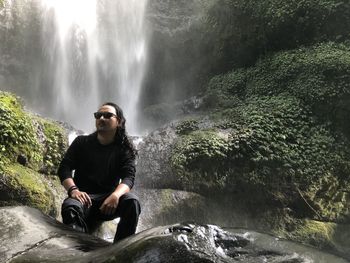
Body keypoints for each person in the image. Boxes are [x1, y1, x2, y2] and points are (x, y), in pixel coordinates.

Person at [57, 102, 141, 243]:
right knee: (70, 206)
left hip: (108, 202)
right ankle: (79, 251)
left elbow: (128, 177)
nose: (101, 118)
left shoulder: (124, 149)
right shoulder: (81, 142)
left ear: (119, 121)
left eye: (108, 115)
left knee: (132, 202)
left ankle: (120, 251)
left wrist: (115, 195)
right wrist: (74, 191)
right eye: (98, 115)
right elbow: (64, 168)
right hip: (83, 199)